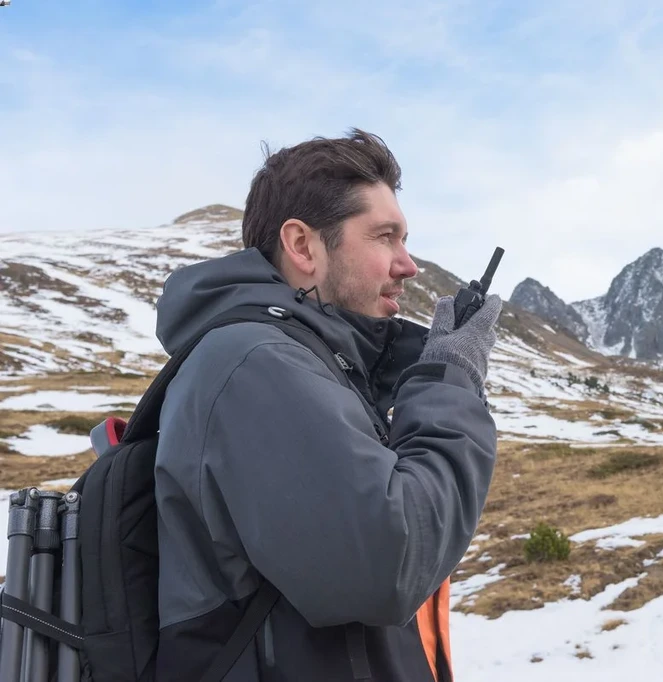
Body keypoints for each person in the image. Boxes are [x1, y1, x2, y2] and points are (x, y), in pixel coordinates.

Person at [151, 129, 502, 681]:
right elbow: (389, 561)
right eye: (385, 237)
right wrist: (451, 378)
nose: (408, 264)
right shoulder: (254, 363)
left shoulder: (295, 363)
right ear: (302, 246)